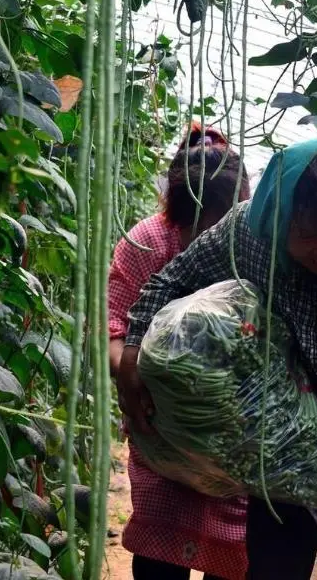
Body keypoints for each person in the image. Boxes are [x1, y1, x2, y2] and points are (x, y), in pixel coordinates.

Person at [118, 138, 317, 580]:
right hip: (287, 438)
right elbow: (169, 282)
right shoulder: (250, 235)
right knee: (273, 569)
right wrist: (133, 355)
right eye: (307, 234)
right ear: (279, 222)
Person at [108, 124, 250, 580]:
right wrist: (129, 377)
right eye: (199, 227)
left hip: (235, 436)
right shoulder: (145, 243)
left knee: (234, 548)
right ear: (175, 212)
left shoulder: (256, 243)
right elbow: (114, 327)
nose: (212, 238)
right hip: (160, 431)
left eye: (224, 225)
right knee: (160, 546)